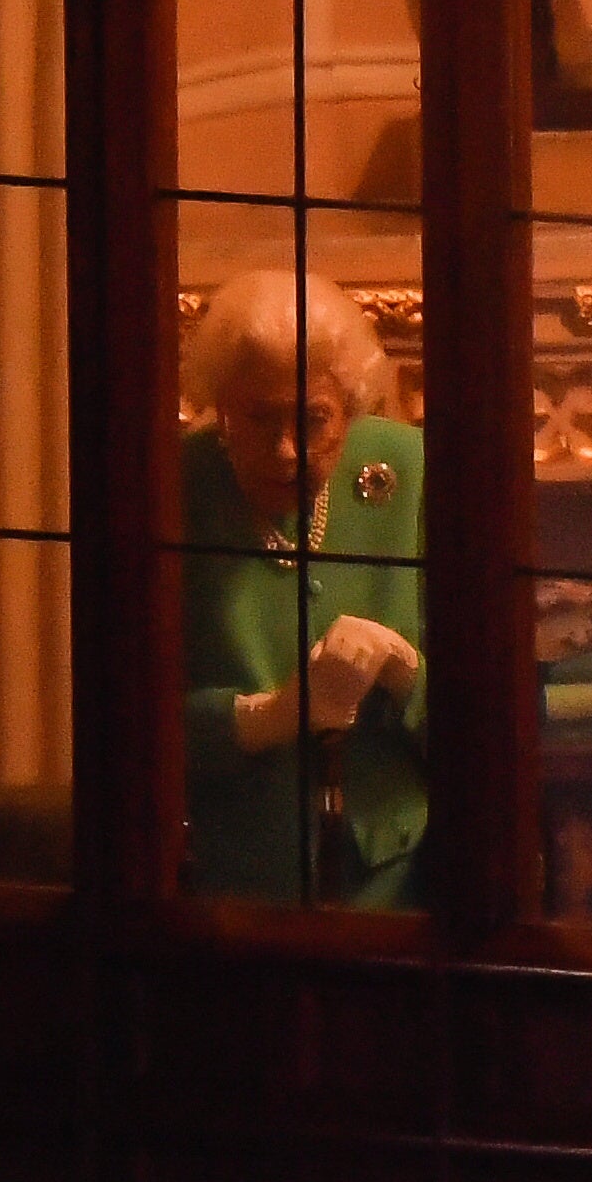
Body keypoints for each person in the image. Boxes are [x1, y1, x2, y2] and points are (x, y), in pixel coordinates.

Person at [180, 268, 427, 908]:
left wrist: (405, 672)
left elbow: (491, 720)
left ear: (350, 406)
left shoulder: (411, 470)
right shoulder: (177, 486)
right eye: (260, 420)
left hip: (396, 882)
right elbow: (122, 721)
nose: (288, 450)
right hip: (232, 888)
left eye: (313, 420)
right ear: (221, 409)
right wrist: (265, 718)